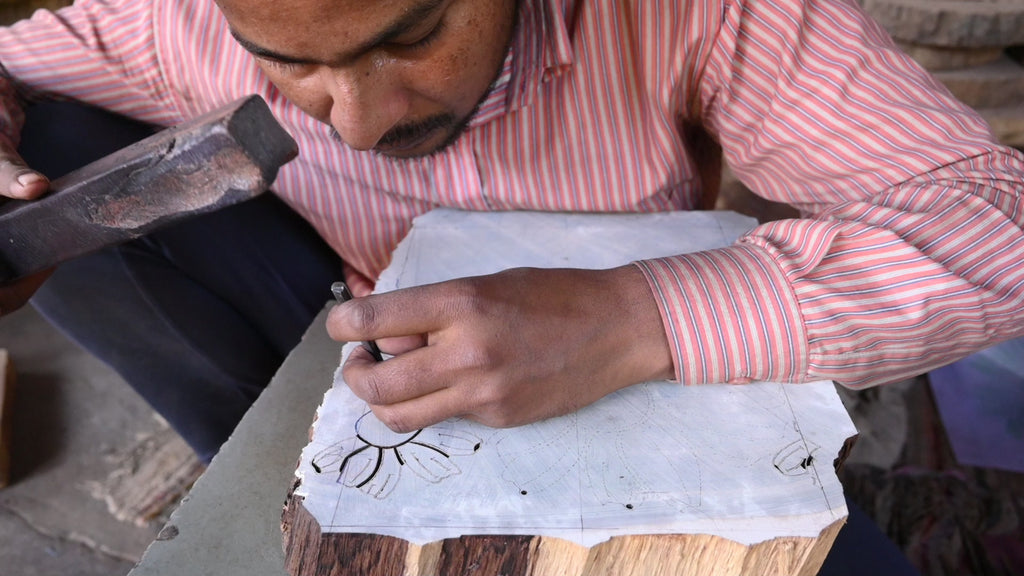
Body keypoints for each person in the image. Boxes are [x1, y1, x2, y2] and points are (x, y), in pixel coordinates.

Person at [0, 1, 1018, 568]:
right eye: (288, 67)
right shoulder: (170, 22)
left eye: (408, 36)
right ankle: (271, 477)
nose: (355, 121)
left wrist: (642, 314)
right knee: (45, 152)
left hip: (649, 377)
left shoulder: (706, 13)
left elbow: (996, 220)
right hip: (339, 332)